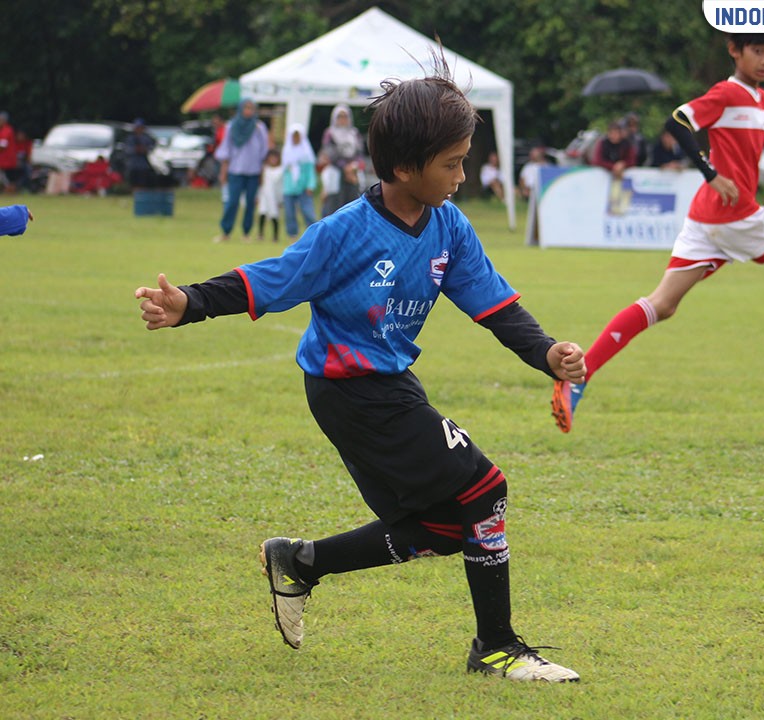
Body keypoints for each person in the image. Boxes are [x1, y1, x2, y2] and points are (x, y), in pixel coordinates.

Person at [133, 54, 585, 682]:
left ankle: (301, 562)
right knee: (485, 490)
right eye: (451, 164)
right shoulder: (345, 233)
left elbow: (494, 304)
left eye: (464, 161)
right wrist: (191, 302)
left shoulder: (448, 226)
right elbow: (272, 278)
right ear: (404, 168)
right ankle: (497, 647)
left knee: (445, 526)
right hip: (350, 391)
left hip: (389, 385)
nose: (462, 176)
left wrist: (546, 352)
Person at [551, 33, 764, 433]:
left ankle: (577, 378)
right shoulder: (726, 93)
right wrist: (710, 173)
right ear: (735, 51)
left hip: (706, 218)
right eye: (758, 52)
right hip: (736, 215)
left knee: (662, 304)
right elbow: (676, 123)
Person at [214, 99, 270, 243]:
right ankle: (226, 231)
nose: (248, 111)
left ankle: (246, 232)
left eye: (251, 108)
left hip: (253, 171)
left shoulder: (259, 127)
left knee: (250, 203)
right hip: (235, 170)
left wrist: (262, 173)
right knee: (232, 201)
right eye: (246, 107)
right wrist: (223, 171)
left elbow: (263, 151)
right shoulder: (231, 126)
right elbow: (226, 149)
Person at [320, 103, 365, 205]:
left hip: (353, 171)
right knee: (335, 203)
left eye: (345, 116)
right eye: (339, 116)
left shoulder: (354, 133)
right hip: (336, 171)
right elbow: (330, 152)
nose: (342, 119)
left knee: (353, 203)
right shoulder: (329, 133)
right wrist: (345, 167)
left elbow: (359, 152)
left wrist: (354, 166)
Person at [281, 124, 317, 242]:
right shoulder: (287, 151)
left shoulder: (306, 153)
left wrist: (310, 185)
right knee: (289, 212)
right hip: (289, 187)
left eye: (298, 136)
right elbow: (284, 171)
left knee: (308, 211)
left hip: (303, 187)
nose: (296, 139)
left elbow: (311, 171)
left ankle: (314, 233)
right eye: (294, 136)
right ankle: (292, 234)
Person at [257, 149, 284, 242]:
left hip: (274, 197)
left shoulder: (280, 170)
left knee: (274, 215)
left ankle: (275, 236)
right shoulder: (265, 169)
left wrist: (280, 200)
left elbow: (280, 186)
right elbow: (262, 183)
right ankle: (260, 234)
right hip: (264, 195)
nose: (273, 160)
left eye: (275, 158)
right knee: (262, 213)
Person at [124, 119, 158, 189]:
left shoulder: (146, 138)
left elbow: (151, 147)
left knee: (143, 182)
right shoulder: (130, 138)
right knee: (133, 181)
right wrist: (135, 150)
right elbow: (127, 149)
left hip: (143, 165)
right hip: (133, 164)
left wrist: (145, 150)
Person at [317, 150, 343, 218]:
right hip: (333, 195)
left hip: (331, 195)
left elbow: (328, 183)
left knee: (329, 213)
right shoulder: (330, 170)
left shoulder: (329, 170)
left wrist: (324, 192)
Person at [0, 112, 21, 192]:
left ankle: (11, 193)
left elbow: (3, 146)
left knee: (10, 180)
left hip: (7, 161)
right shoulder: (3, 130)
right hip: (4, 161)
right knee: (8, 179)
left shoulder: (6, 130)